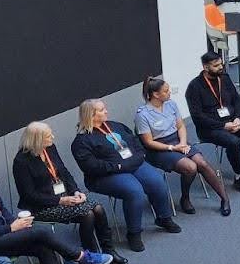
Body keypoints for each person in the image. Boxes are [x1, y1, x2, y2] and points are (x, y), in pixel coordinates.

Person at [71, 100, 181, 253]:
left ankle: (164, 218)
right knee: (134, 191)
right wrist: (118, 166)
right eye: (102, 110)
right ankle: (134, 233)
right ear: (91, 115)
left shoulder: (115, 125)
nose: (106, 111)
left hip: (132, 164)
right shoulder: (82, 141)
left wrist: (138, 157)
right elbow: (91, 167)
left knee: (157, 181)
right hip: (105, 175)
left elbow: (136, 143)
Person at [13, 122, 124, 264]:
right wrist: (60, 201)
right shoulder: (21, 161)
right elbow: (29, 195)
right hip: (42, 206)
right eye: (48, 136)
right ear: (37, 139)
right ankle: (91, 256)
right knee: (87, 214)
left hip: (65, 197)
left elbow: (64, 172)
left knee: (98, 208)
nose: (52, 137)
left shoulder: (50, 148)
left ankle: (109, 250)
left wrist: (76, 191)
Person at [135, 76, 233, 217]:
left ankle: (224, 198)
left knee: (201, 163)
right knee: (190, 167)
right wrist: (173, 148)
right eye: (166, 91)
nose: (170, 93)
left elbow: (180, 126)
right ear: (156, 95)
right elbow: (148, 142)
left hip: (177, 140)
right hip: (159, 148)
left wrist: (182, 143)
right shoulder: (142, 114)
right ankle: (185, 198)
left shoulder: (171, 104)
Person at [185, 51, 240, 195]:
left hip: (233, 120)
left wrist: (237, 117)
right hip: (210, 128)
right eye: (216, 65)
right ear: (206, 67)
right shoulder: (194, 87)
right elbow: (197, 117)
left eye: (221, 64)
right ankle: (239, 176)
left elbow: (237, 100)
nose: (221, 67)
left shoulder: (224, 78)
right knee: (233, 141)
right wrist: (223, 126)